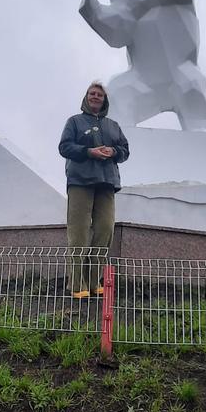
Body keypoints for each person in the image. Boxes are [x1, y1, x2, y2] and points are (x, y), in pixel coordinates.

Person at [58, 81, 130, 297]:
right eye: (92, 93)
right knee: (79, 232)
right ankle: (76, 285)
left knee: (105, 229)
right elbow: (64, 147)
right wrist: (89, 152)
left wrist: (113, 151)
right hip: (80, 181)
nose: (95, 96)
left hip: (106, 182)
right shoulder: (74, 122)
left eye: (99, 94)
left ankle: (93, 281)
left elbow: (125, 150)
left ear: (104, 100)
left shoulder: (113, 126)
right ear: (86, 97)